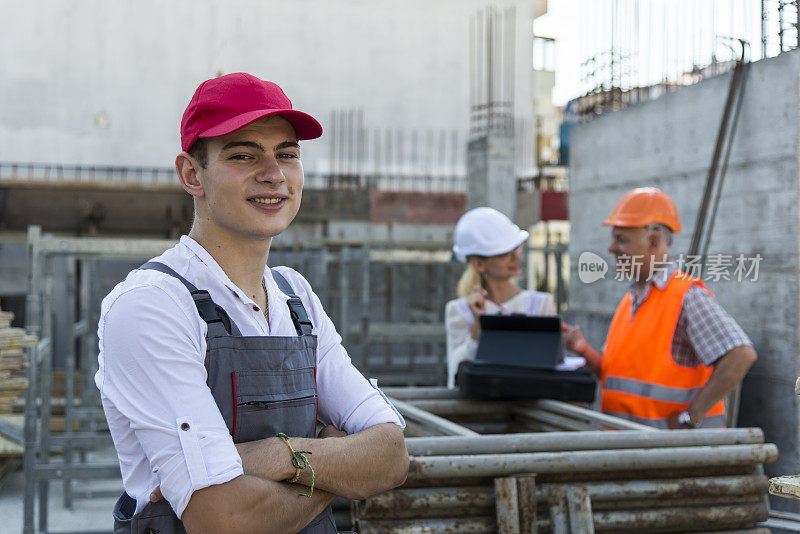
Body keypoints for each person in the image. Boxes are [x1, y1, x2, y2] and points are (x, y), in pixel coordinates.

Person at [95, 73, 409, 534]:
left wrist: (273, 456)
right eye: (243, 155)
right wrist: (336, 470)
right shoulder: (154, 306)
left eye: (288, 154)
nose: (274, 173)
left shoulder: (294, 296)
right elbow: (225, 520)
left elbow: (391, 456)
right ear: (191, 174)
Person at [562, 187, 757, 429]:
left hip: (674, 456)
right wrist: (584, 350)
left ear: (653, 242)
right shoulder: (630, 300)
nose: (611, 248)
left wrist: (691, 416)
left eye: (621, 239)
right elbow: (619, 378)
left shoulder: (687, 296)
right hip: (631, 451)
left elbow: (741, 355)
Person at [445, 207, 555, 388]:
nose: (515, 257)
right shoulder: (460, 310)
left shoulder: (541, 304)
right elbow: (455, 373)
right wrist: (478, 326)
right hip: (480, 411)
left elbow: (549, 366)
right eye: (504, 253)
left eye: (516, 249)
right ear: (479, 264)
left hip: (530, 409)